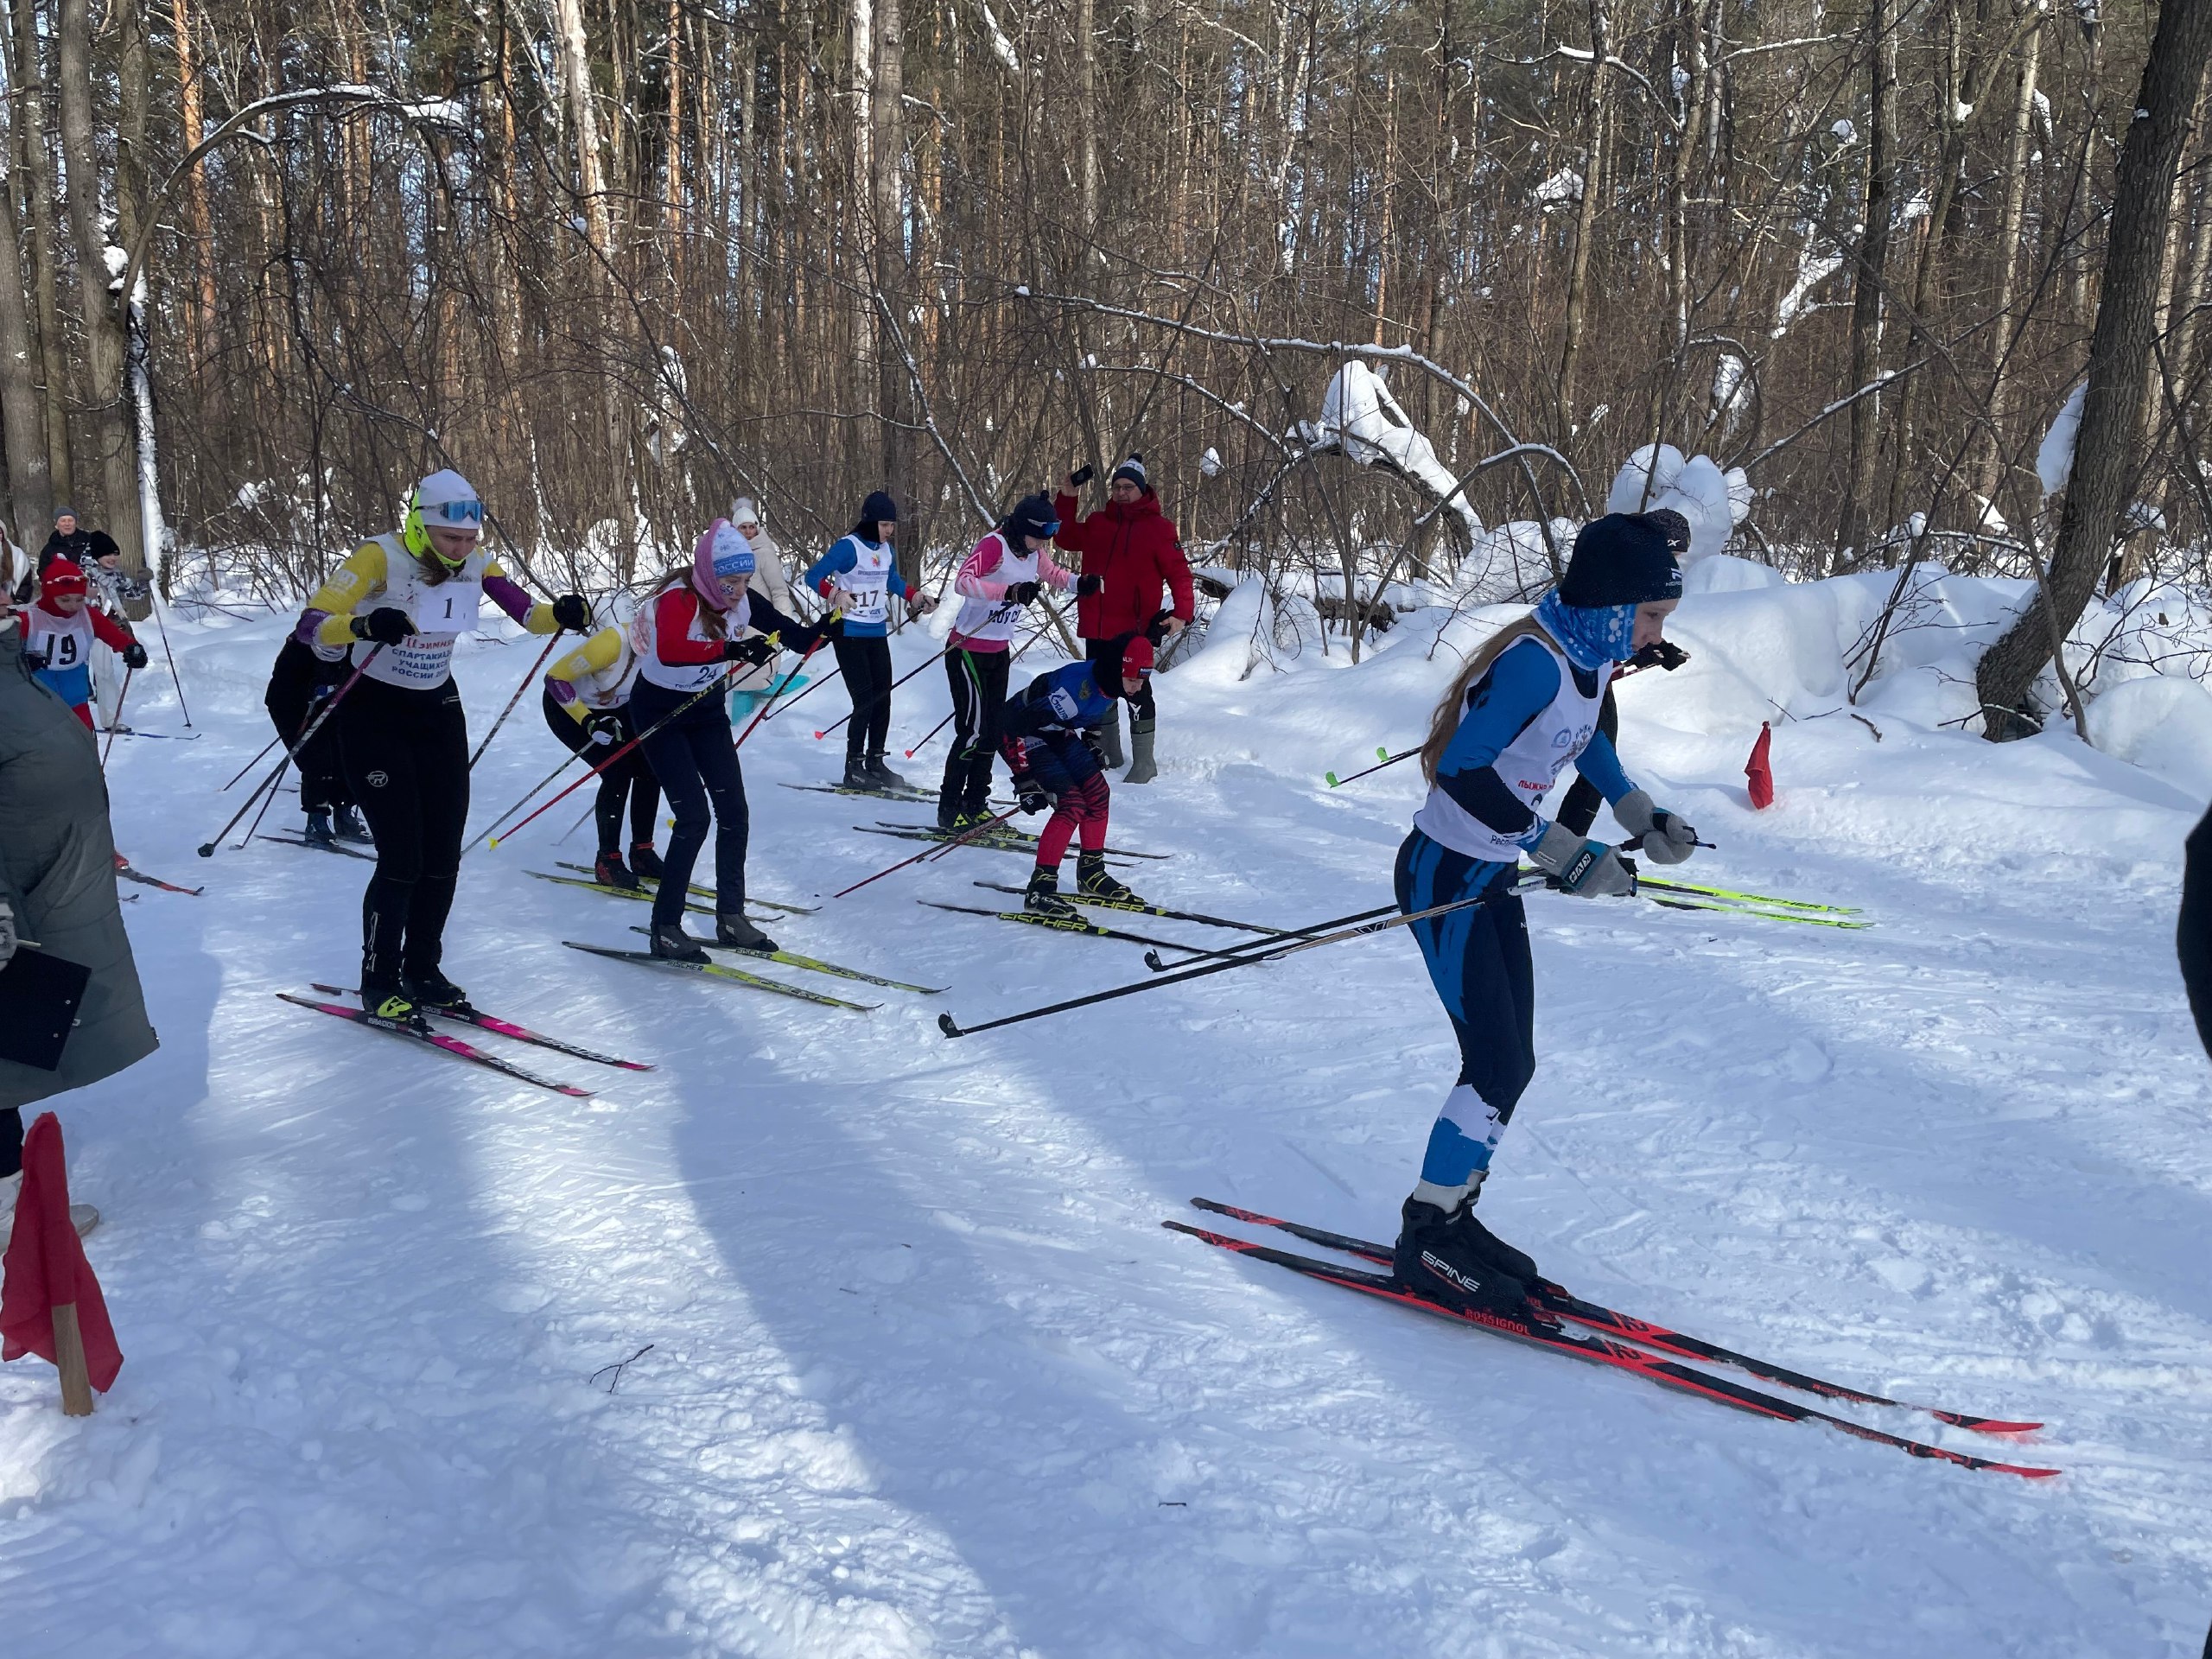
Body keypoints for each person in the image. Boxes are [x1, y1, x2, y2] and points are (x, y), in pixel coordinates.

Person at [1390, 512, 1700, 1318]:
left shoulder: (1591, 658)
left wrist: (1640, 812)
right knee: (1492, 1062)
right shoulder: (1534, 663)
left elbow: (1588, 739)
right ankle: (1425, 1238)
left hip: (1487, 873)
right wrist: (1559, 849)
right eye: (1652, 615)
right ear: (1607, 603)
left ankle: (1449, 1213)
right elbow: (1460, 768)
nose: (1657, 633)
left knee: (1512, 1063)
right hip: (1444, 874)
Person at [295, 467, 588, 1025]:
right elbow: (311, 625)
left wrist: (565, 613)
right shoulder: (377, 557)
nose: (460, 550)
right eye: (450, 538)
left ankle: (423, 969)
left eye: (470, 539)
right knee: (402, 857)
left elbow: (528, 614)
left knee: (443, 855)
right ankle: (379, 980)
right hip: (373, 709)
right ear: (420, 527)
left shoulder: (478, 562)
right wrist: (362, 625)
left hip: (436, 707)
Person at [2, 581, 159, 1236]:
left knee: (5, 1062)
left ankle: (8, 1207)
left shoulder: (12, 660)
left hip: (35, 895)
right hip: (14, 906)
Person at [628, 519, 825, 960]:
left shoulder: (741, 599)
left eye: (743, 581)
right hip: (661, 713)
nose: (737, 592)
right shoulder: (678, 600)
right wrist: (733, 650)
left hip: (705, 711)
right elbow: (673, 651)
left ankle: (731, 918)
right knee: (694, 818)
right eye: (729, 582)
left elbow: (795, 637)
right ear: (706, 574)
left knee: (734, 812)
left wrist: (826, 628)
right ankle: (665, 927)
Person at [938, 493, 1084, 830]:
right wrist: (1007, 592)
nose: (1041, 545)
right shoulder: (994, 545)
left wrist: (1083, 584)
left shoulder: (1035, 553)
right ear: (1021, 529)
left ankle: (975, 803)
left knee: (992, 732)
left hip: (998, 652)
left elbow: (1055, 575)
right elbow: (963, 582)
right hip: (967, 650)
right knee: (972, 732)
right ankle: (949, 808)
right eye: (1039, 536)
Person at [1052, 454, 1195, 784]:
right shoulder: (1100, 523)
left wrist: (1181, 615)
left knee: (1136, 691)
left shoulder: (1160, 529)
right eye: (1116, 487)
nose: (1121, 492)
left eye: (1128, 487)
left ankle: (1145, 763)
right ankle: (1110, 754)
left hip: (1135, 630)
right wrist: (1067, 498)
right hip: (1097, 624)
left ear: (1142, 489)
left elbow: (1180, 575)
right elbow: (1065, 537)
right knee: (1101, 686)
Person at [997, 632, 1154, 918]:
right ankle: (1040, 889)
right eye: (1131, 679)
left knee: (1098, 794)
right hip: (1025, 733)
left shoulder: (1115, 683)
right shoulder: (1073, 689)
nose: (1136, 687)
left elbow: (1095, 710)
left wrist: (1093, 741)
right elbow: (1012, 725)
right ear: (1118, 670)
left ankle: (1091, 874)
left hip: (1057, 731)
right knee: (1071, 805)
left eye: (1141, 680)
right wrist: (1024, 780)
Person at [803, 490, 937, 791]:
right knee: (864, 700)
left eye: (892, 525)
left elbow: (892, 581)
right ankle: (854, 766)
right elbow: (813, 577)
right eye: (885, 524)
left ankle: (876, 761)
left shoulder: (886, 550)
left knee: (883, 698)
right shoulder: (848, 548)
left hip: (876, 631)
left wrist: (916, 596)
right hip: (848, 632)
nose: (890, 531)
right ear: (871, 522)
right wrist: (835, 595)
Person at [543, 599, 664, 890]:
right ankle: (607, 861)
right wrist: (588, 722)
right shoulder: (611, 642)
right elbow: (555, 679)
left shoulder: (668, 645)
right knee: (616, 772)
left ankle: (642, 852)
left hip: (617, 707)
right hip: (570, 708)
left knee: (651, 767)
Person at [264, 635, 369, 846]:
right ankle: (316, 820)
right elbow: (283, 690)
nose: (337, 643)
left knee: (346, 756)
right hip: (294, 710)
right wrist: (312, 691)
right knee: (318, 761)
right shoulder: (300, 646)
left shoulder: (352, 640)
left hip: (332, 705)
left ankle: (344, 814)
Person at [19, 558, 146, 729]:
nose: (73, 606)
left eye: (79, 600)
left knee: (86, 752)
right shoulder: (30, 618)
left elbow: (114, 635)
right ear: (49, 594)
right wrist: (22, 660)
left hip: (77, 702)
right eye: (65, 600)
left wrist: (131, 648)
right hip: (41, 704)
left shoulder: (88, 616)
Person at [724, 499, 804, 717]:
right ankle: (739, 712)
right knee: (739, 667)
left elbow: (778, 590)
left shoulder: (764, 552)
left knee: (760, 666)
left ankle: (766, 688)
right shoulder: (729, 553)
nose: (749, 532)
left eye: (752, 527)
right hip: (737, 620)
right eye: (743, 528)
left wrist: (784, 622)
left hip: (763, 619)